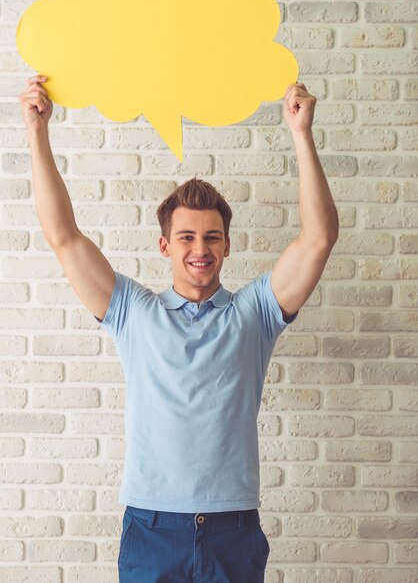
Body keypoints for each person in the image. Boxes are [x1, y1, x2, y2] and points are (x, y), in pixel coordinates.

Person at [19, 75, 339, 583]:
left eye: (213, 237)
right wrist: (37, 133)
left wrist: (301, 133)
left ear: (228, 246)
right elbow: (64, 238)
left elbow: (318, 239)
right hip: (151, 528)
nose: (200, 249)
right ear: (165, 246)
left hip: (233, 528)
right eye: (186, 236)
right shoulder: (132, 311)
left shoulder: (254, 313)